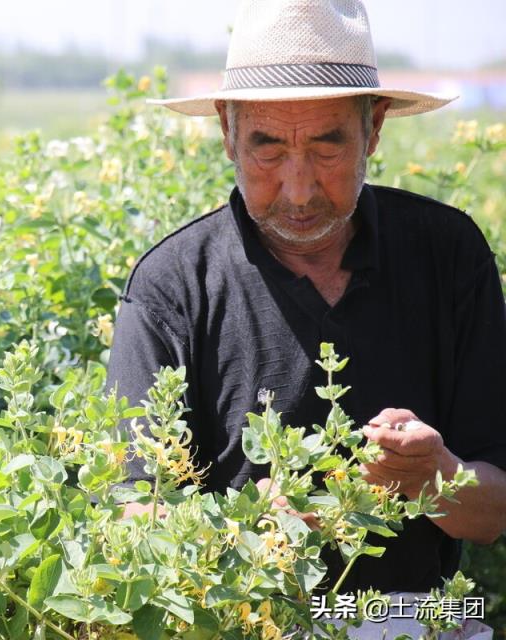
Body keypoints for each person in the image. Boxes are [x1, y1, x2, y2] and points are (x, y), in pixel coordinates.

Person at [106, 0, 506, 601]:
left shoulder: (446, 253)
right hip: (233, 618)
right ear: (227, 132)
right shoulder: (173, 284)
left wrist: (435, 476)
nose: (298, 189)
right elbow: (128, 521)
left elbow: (493, 514)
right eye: (268, 149)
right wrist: (250, 523)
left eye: (327, 148)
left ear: (374, 128)